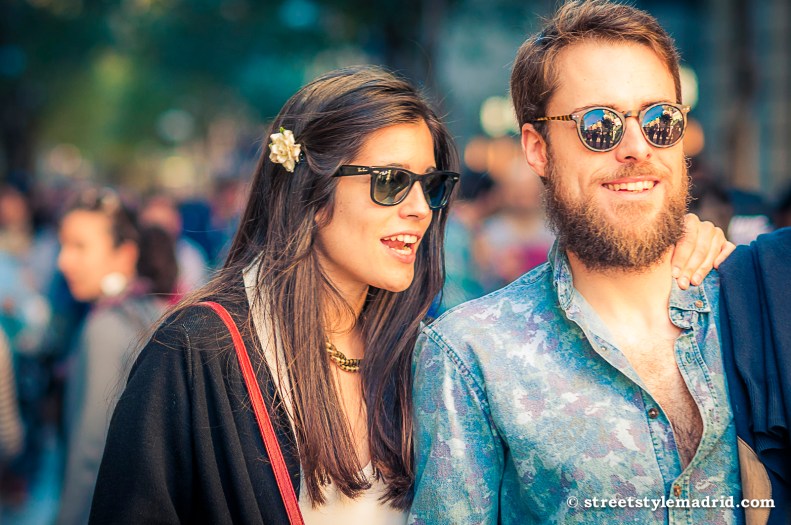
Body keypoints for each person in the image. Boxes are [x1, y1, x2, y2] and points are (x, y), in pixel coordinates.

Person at [90, 66, 730, 525]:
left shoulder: (425, 350)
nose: (421, 209)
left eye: (432, 185)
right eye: (392, 182)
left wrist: (678, 247)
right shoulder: (199, 352)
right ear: (311, 193)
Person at [409, 2, 747, 523]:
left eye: (660, 120)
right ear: (538, 149)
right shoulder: (472, 356)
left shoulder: (756, 304)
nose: (637, 148)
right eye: (599, 124)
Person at [55, 188, 178, 525]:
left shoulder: (105, 328)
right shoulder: (151, 310)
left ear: (124, 255)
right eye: (63, 245)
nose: (63, 260)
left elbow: (89, 453)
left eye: (79, 246)